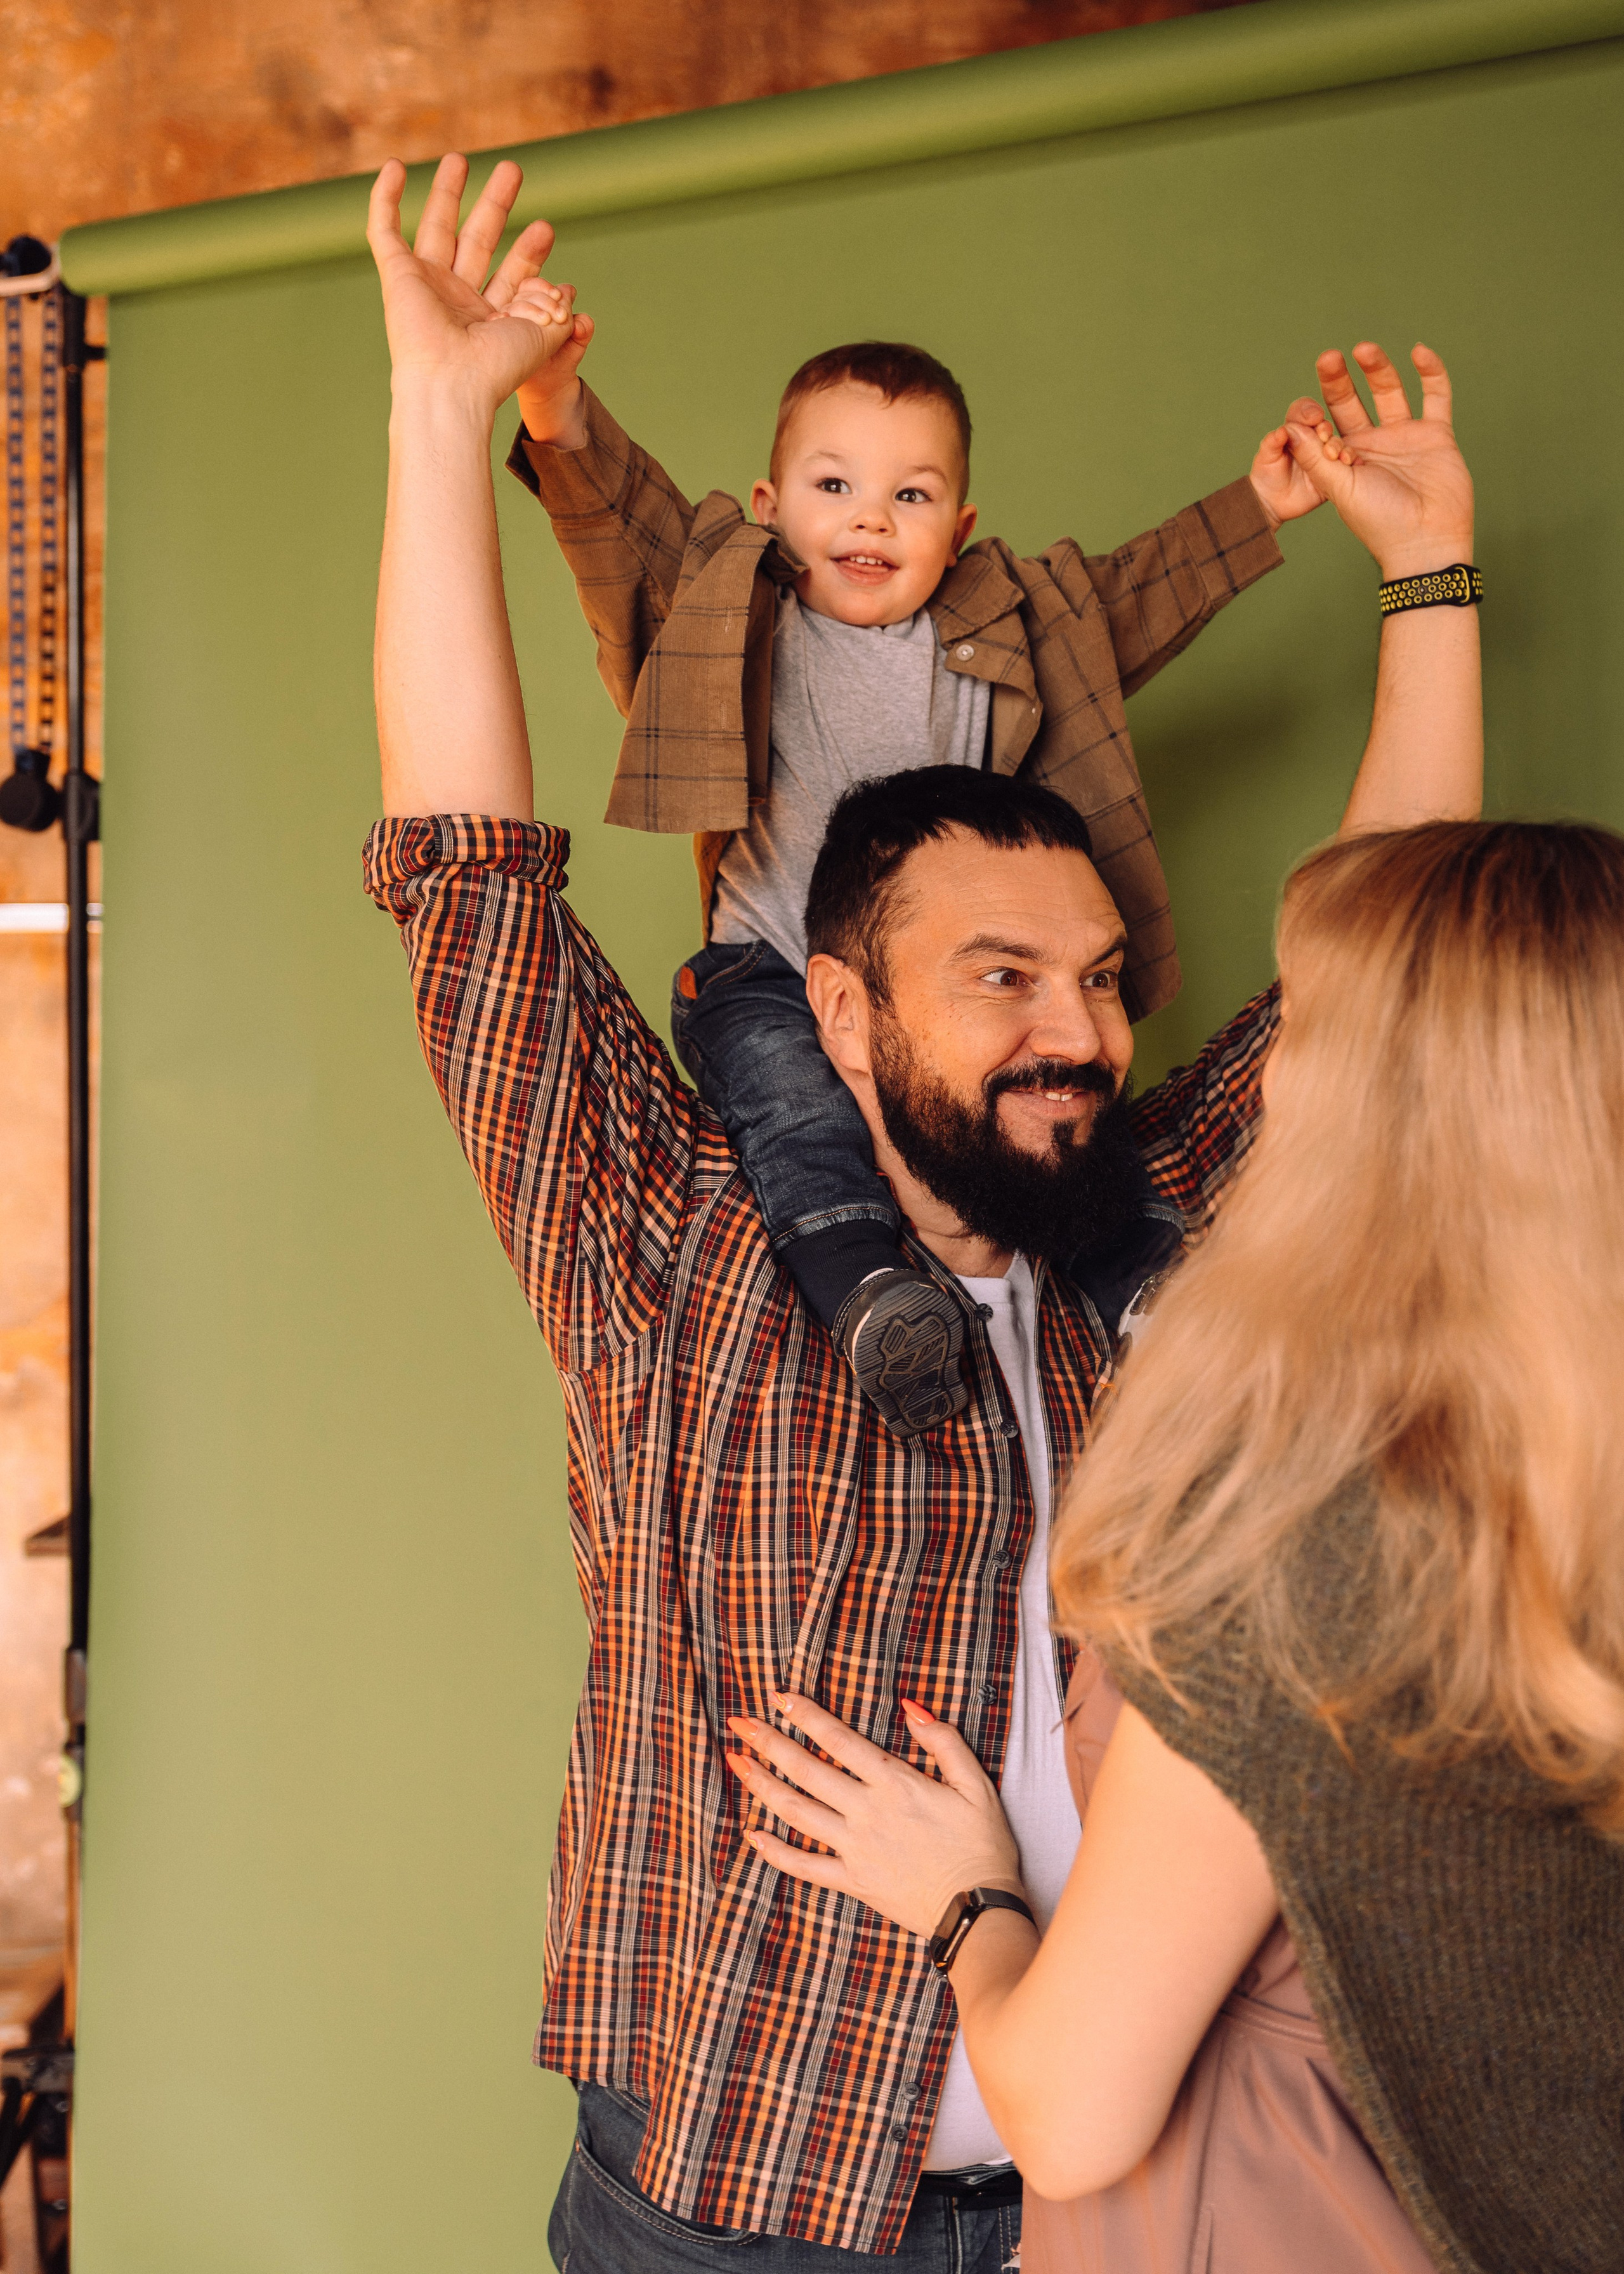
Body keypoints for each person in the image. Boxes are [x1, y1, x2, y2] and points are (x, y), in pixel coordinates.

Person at [363, 152, 1481, 2274]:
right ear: (845, 1012)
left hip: (1135, 2199)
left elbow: (1392, 990)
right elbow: (468, 892)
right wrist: (445, 425)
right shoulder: (673, 1241)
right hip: (745, 2207)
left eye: (1097, 977)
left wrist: (1428, 579)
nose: (1081, 1025)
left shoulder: (1140, 1222)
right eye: (1003, 981)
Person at [735, 814, 1624, 2274]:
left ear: (1410, 1106)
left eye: (1314, 1024)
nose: (1266, 1073)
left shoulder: (1303, 1559)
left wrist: (968, 1901)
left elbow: (1073, 2115)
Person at [499, 173, 1339, 1434]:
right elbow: (622, 525)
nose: (870, 520)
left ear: (959, 523)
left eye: (910, 493)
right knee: (795, 1125)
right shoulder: (732, 609)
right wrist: (553, 398)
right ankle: (872, 1296)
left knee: (1052, 1127)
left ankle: (1144, 1290)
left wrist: (1259, 505)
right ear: (774, 508)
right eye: (834, 487)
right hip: (771, 966)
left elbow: (1136, 594)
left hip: (954, 986)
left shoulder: (1012, 620)